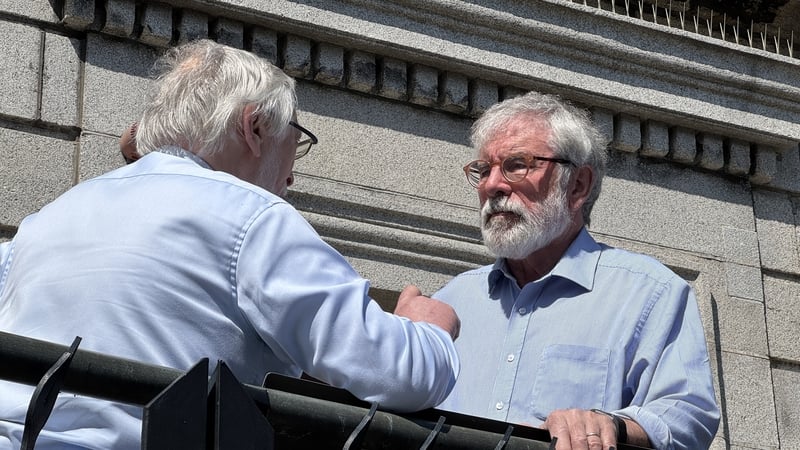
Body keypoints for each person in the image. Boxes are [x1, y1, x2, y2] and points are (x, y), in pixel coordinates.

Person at [0, 39, 460, 449]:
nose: (292, 175)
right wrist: (431, 331)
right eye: (294, 141)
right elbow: (394, 371)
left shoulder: (44, 220)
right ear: (254, 126)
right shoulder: (251, 216)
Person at [434, 92, 720, 450]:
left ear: (577, 186)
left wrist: (609, 426)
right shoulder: (452, 301)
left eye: (516, 165)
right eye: (484, 170)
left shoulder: (650, 293)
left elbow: (688, 416)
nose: (492, 185)